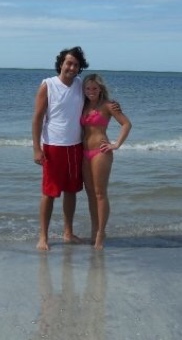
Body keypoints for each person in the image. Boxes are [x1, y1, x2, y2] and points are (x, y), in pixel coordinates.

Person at [32, 46, 89, 251]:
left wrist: (112, 107)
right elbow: (37, 118)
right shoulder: (48, 85)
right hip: (53, 146)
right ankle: (43, 237)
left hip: (75, 146)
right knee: (49, 193)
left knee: (71, 191)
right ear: (61, 64)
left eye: (76, 65)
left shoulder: (81, 84)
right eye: (68, 63)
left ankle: (68, 233)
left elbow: (97, 96)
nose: (72, 68)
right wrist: (36, 148)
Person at [81, 73, 131, 250]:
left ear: (100, 88)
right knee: (90, 194)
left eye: (94, 88)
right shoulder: (83, 104)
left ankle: (101, 233)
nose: (91, 91)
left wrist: (116, 144)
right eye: (87, 88)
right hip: (84, 152)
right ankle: (94, 230)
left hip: (101, 152)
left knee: (100, 193)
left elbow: (126, 124)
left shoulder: (109, 105)